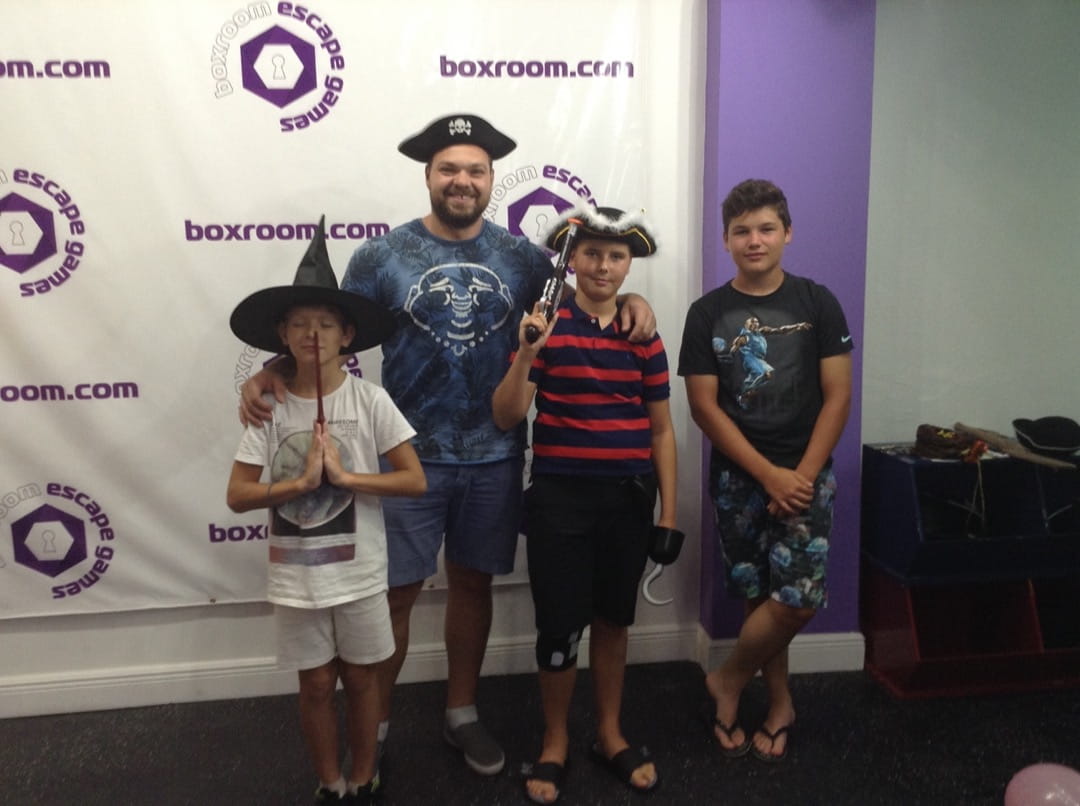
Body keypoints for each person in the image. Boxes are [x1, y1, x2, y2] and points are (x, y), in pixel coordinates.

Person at [238, 114, 657, 777]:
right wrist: (275, 370)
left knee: (472, 585)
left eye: (475, 170)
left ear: (491, 179)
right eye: (449, 169)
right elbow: (327, 330)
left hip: (495, 454)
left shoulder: (524, 259)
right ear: (429, 176)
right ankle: (375, 727)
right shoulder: (381, 256)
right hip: (406, 456)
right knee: (396, 594)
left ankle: (461, 712)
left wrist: (633, 298)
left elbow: (584, 294)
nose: (463, 181)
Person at [226, 219, 426, 804]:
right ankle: (329, 782)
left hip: (359, 573)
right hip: (298, 579)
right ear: (282, 336)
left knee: (362, 678)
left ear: (348, 335)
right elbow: (237, 494)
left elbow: (413, 479)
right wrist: (296, 485)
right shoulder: (269, 406)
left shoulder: (370, 401)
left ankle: (363, 775)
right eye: (299, 324)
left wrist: (346, 478)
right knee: (315, 683)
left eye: (326, 324)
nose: (313, 334)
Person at [491, 206, 676, 804]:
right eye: (591, 253)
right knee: (558, 626)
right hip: (559, 501)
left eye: (616, 255)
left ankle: (610, 733)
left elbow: (662, 431)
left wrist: (669, 513)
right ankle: (555, 741)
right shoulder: (544, 327)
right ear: (571, 261)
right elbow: (507, 415)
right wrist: (527, 352)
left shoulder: (643, 335)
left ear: (629, 265)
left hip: (627, 501)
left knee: (614, 622)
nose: (603, 265)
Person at [677, 179, 852, 763]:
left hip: (806, 473)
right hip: (739, 478)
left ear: (787, 233)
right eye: (742, 231)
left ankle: (727, 681)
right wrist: (766, 475)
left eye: (766, 228)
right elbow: (704, 407)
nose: (754, 240)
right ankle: (779, 704)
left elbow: (838, 396)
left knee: (795, 601)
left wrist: (799, 474)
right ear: (726, 239)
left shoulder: (817, 302)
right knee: (760, 597)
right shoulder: (707, 313)